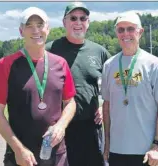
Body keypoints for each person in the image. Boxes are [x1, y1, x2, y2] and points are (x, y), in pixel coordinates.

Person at [0, 7, 76, 166]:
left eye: (40, 24)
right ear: (21, 31)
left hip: (56, 154)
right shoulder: (6, 64)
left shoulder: (60, 63)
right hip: (21, 156)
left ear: (48, 29)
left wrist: (61, 125)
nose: (36, 30)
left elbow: (70, 102)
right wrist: (18, 149)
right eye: (29, 25)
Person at [101, 12, 158, 166]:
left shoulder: (154, 64)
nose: (125, 34)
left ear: (140, 32)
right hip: (117, 149)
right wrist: (107, 142)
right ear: (116, 33)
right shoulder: (109, 65)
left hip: (146, 151)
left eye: (130, 29)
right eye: (121, 30)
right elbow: (107, 107)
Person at [45, 2, 111, 166]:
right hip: (60, 126)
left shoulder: (99, 51)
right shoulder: (49, 50)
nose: (78, 22)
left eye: (83, 18)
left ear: (88, 23)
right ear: (64, 22)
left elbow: (114, 85)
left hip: (91, 126)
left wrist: (104, 106)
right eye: (73, 18)